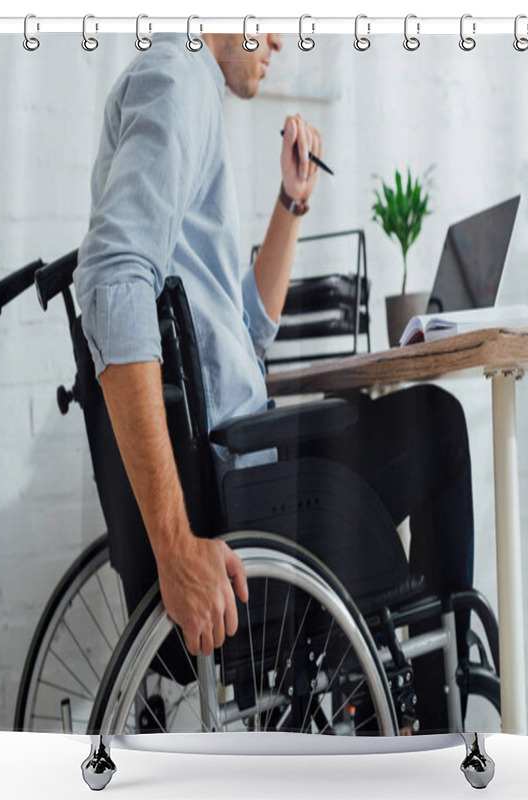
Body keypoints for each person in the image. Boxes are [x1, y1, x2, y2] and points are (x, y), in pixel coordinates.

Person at [75, 31, 473, 732]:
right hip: (242, 494)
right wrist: (174, 547)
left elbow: (248, 329)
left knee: (385, 418)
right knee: (436, 424)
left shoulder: (188, 93)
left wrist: (291, 203)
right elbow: (113, 282)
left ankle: (397, 694)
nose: (281, 38)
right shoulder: (177, 81)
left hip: (240, 464)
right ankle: (439, 711)